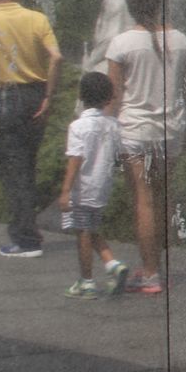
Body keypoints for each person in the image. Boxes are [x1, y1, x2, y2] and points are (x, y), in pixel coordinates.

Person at [107, 0, 186, 294]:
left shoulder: (121, 44)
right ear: (159, 3)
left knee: (143, 202)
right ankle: (156, 269)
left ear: (130, 7)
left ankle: (150, 274)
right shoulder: (182, 41)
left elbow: (114, 98)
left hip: (134, 130)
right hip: (170, 131)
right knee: (161, 201)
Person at [0, 0, 62, 257]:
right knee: (27, 165)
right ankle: (29, 227)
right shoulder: (36, 18)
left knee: (13, 169)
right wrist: (49, 96)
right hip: (35, 95)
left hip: (6, 97)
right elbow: (56, 57)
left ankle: (25, 238)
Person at [58, 72, 130, 298]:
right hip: (102, 188)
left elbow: (75, 160)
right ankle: (112, 264)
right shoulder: (113, 125)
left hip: (82, 189)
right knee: (91, 229)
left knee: (82, 234)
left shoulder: (78, 127)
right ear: (109, 97)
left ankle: (87, 281)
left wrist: (65, 190)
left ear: (81, 96)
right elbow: (121, 155)